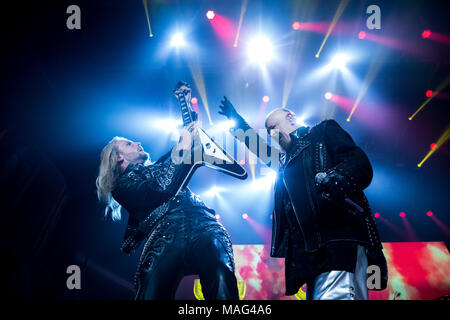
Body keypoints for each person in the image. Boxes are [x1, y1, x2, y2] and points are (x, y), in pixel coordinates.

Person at [218, 98, 388, 300]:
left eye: (273, 127)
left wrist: (338, 178)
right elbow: (257, 146)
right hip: (309, 253)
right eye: (269, 132)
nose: (272, 135)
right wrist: (236, 121)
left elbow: (358, 162)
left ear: (290, 117)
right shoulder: (284, 161)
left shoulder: (322, 132)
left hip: (339, 238)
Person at [95, 119, 239, 300]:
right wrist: (182, 147)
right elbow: (161, 187)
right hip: (164, 236)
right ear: (118, 157)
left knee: (220, 276)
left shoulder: (160, 165)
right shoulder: (121, 186)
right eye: (129, 144)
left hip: (203, 224)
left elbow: (191, 140)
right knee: (150, 294)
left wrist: (184, 102)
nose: (138, 143)